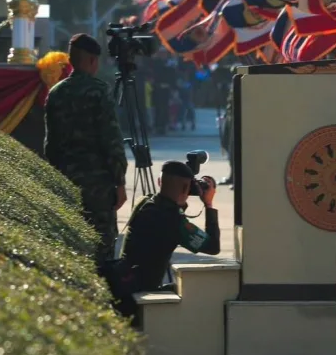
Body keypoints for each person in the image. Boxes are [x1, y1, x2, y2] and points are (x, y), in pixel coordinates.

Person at [44, 33, 129, 266]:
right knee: (102, 248)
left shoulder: (55, 93)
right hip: (98, 186)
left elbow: (50, 145)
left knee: (71, 247)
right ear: (92, 60)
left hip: (66, 183)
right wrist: (120, 182)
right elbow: (111, 141)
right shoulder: (99, 91)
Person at [107, 161, 221, 319]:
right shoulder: (174, 222)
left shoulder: (144, 202)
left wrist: (183, 191)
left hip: (123, 282)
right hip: (141, 293)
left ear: (159, 182)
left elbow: (167, 210)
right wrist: (208, 204)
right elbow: (213, 247)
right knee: (199, 290)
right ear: (185, 189)